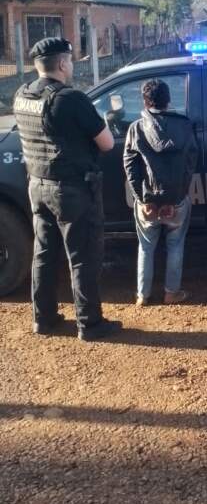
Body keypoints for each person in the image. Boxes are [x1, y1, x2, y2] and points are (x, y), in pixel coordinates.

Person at [13, 37, 122, 342]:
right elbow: (107, 143)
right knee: (83, 255)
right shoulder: (70, 98)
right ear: (62, 63)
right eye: (71, 61)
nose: (71, 66)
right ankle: (90, 324)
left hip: (37, 185)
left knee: (44, 253)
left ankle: (43, 319)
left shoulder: (22, 95)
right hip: (70, 191)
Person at [123, 79, 198, 306]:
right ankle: (171, 293)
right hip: (176, 201)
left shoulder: (136, 128)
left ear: (145, 102)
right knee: (175, 245)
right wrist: (177, 196)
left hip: (147, 202)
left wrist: (141, 198)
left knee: (146, 247)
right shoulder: (184, 126)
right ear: (169, 100)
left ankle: (142, 296)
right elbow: (190, 163)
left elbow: (130, 166)